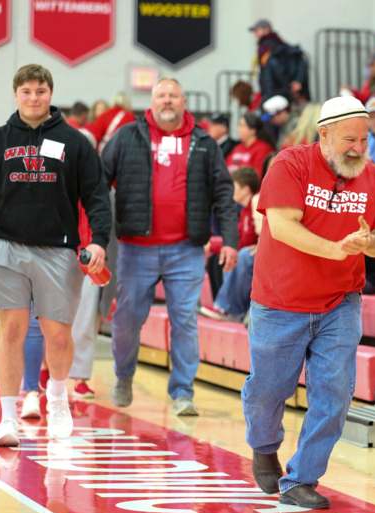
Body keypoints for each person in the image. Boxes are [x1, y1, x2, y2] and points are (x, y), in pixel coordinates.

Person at [242, 95, 375, 509]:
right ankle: (263, 444)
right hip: (280, 300)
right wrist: (335, 249)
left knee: (334, 392)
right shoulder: (290, 164)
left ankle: (301, 479)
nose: (358, 148)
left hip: (339, 302)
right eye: (349, 139)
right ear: (324, 135)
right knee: (268, 389)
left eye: (364, 140)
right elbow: (282, 225)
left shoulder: (373, 177)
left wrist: (369, 242)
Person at [0, 64, 111, 446]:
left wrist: (98, 239)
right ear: (15, 94)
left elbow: (97, 195)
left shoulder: (75, 142)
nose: (34, 98)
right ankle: (7, 418)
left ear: (51, 93)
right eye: (27, 91)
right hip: (3, 249)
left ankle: (57, 400)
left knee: (58, 335)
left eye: (41, 91)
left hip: (57, 250)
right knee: (12, 331)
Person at [102, 78, 238, 416]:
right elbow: (98, 183)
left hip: (186, 249)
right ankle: (123, 375)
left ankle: (183, 393)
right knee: (127, 319)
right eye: (161, 95)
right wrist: (95, 233)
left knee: (185, 321)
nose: (167, 101)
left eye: (173, 96)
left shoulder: (205, 143)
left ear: (184, 101)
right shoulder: (127, 137)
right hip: (136, 247)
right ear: (151, 101)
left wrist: (231, 241)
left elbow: (224, 194)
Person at [201, 167, 262, 321]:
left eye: (233, 187)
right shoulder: (243, 210)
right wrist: (214, 244)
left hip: (264, 253)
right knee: (227, 254)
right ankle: (225, 307)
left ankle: (230, 309)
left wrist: (214, 244)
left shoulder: (256, 203)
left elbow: (248, 238)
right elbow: (239, 235)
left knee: (241, 255)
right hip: (252, 251)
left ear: (245, 189)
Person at [249, 19, 309, 102]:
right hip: (275, 92)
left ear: (266, 29)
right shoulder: (265, 47)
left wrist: (297, 81)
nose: (255, 34)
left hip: (280, 93)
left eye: (257, 30)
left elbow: (299, 60)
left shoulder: (273, 45)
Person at [226, 112, 276, 177]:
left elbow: (258, 175)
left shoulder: (263, 149)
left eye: (242, 126)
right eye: (239, 126)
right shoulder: (237, 148)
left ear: (253, 130)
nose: (239, 129)